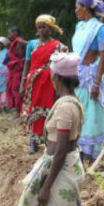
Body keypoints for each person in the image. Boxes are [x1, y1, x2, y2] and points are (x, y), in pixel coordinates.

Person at [11, 52, 86, 206]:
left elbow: (62, 148)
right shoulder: (69, 102)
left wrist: (46, 186)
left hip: (61, 171)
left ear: (56, 78)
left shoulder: (65, 107)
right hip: (57, 166)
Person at [72, 0, 104, 163]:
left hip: (90, 77)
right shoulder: (79, 27)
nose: (75, 11)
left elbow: (102, 57)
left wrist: (96, 83)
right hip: (78, 76)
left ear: (85, 8)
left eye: (77, 7)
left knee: (92, 114)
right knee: (80, 111)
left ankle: (90, 153)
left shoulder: (100, 29)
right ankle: (81, 149)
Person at [20, 14, 65, 153]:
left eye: (44, 27)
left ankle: (48, 139)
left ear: (50, 28)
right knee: (33, 109)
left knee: (50, 109)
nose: (41, 30)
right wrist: (23, 83)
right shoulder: (32, 44)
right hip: (34, 81)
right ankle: (33, 140)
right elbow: (27, 64)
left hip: (50, 80)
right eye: (39, 28)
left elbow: (59, 65)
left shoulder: (57, 45)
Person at [6, 26, 26, 116]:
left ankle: (19, 112)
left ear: (15, 33)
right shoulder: (14, 42)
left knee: (17, 90)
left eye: (10, 33)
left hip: (18, 69)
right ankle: (18, 111)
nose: (8, 35)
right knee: (13, 89)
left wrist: (23, 60)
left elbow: (27, 48)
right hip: (13, 69)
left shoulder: (19, 41)